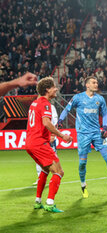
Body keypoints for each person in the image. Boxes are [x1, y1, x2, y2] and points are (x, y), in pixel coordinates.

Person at [58, 76, 107, 198]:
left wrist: (104, 128)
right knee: (83, 163)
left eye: (97, 82)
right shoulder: (78, 98)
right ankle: (83, 186)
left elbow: (105, 114)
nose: (96, 84)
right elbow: (67, 109)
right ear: (87, 85)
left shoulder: (100, 99)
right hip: (83, 134)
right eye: (93, 82)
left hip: (97, 133)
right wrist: (60, 120)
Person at [26, 77, 73, 213]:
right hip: (39, 143)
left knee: (45, 170)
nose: (56, 89)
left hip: (30, 143)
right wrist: (62, 135)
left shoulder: (35, 103)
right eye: (54, 87)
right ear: (47, 89)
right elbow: (46, 123)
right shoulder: (45, 104)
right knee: (59, 172)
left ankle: (38, 201)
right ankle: (50, 203)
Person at [33, 103, 58, 185]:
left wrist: (52, 135)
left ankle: (55, 176)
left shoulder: (51, 107)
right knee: (39, 158)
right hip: (39, 137)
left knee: (53, 157)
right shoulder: (36, 106)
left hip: (48, 136)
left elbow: (54, 122)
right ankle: (40, 178)